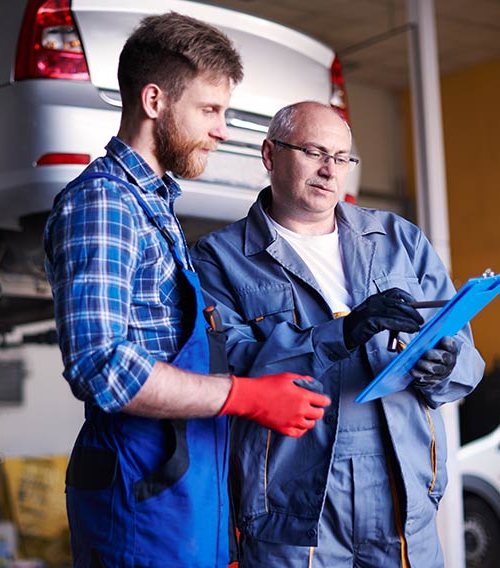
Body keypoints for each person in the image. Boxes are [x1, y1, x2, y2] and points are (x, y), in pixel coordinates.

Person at [43, 16, 330, 568]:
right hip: (138, 508)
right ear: (154, 100)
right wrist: (247, 396)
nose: (222, 129)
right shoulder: (105, 205)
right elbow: (102, 367)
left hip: (187, 502)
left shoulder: (158, 208)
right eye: (210, 110)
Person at [191, 101, 485, 567]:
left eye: (342, 158)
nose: (330, 171)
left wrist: (445, 366)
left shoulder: (399, 240)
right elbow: (228, 367)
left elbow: (467, 360)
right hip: (293, 508)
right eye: (313, 152)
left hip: (402, 498)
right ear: (270, 154)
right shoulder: (219, 258)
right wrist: (340, 333)